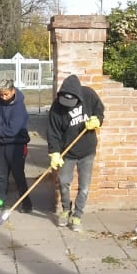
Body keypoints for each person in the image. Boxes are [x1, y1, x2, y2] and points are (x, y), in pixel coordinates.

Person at [46, 74, 104, 231]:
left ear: (78, 95)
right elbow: (53, 133)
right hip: (68, 153)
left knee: (84, 187)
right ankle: (66, 210)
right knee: (64, 182)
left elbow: (100, 108)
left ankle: (77, 215)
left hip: (87, 151)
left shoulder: (88, 95)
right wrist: (55, 153)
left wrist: (97, 119)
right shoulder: (56, 108)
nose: (68, 105)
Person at [0, 79, 31, 211]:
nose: (3, 97)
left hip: (17, 145)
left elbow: (13, 129)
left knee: (18, 175)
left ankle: (26, 203)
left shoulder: (19, 107)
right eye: (1, 94)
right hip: (2, 144)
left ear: (13, 91)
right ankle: (0, 201)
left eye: (6, 94)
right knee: (2, 175)